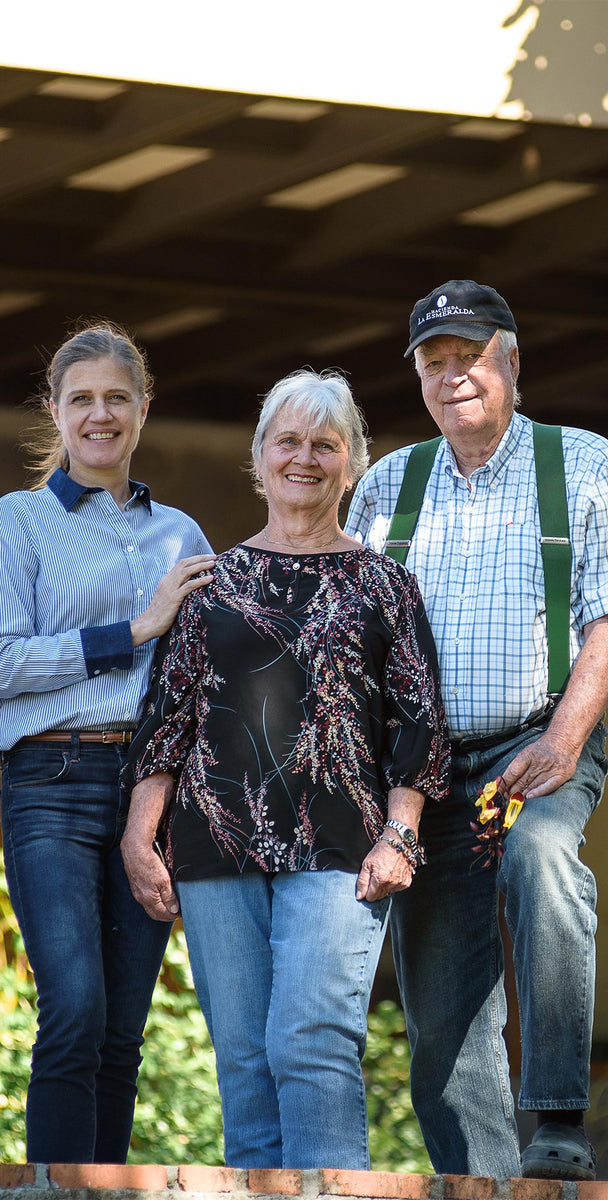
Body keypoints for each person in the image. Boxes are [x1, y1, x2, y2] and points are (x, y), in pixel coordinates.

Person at [346, 279, 608, 1180]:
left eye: (470, 357)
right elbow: (355, 640)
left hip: (542, 738)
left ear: (512, 362)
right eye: (433, 362)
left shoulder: (586, 463)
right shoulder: (387, 485)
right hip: (425, 771)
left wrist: (565, 741)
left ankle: (558, 1122)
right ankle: (482, 1182)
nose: (454, 377)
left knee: (542, 864)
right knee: (443, 1019)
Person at [120, 367, 449, 1170]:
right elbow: (167, 721)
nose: (303, 459)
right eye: (287, 441)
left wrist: (400, 834)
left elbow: (419, 725)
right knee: (243, 1061)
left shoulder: (385, 585)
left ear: (351, 462)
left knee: (312, 1044)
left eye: (324, 445)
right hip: (214, 849)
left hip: (342, 850)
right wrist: (140, 834)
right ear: (260, 455)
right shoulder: (209, 587)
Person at [0, 323, 214, 1164]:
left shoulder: (184, 535)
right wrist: (133, 630)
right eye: (81, 399)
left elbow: (207, 672)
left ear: (143, 408)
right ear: (55, 410)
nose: (100, 414)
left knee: (123, 1027)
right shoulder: (17, 522)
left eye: (116, 398)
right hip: (50, 776)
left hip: (150, 792)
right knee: (77, 1008)